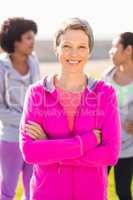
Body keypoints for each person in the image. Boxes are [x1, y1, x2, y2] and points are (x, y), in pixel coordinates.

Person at [19, 17, 121, 200]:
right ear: (56, 50)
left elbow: (110, 154)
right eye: (66, 46)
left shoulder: (105, 94)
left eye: (81, 47)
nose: (74, 54)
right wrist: (86, 142)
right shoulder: (36, 93)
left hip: (92, 195)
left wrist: (49, 146)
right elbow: (30, 152)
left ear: (89, 51)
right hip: (46, 195)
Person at [0, 17, 40, 200]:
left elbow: (39, 96)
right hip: (10, 138)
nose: (33, 42)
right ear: (15, 41)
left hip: (34, 137)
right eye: (28, 38)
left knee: (33, 187)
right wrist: (26, 120)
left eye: (34, 37)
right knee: (8, 189)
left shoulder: (34, 62)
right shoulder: (1, 68)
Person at [102, 32, 133, 200]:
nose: (111, 51)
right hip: (105, 145)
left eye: (115, 47)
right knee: (96, 188)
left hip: (128, 149)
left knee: (122, 191)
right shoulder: (107, 76)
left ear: (128, 50)